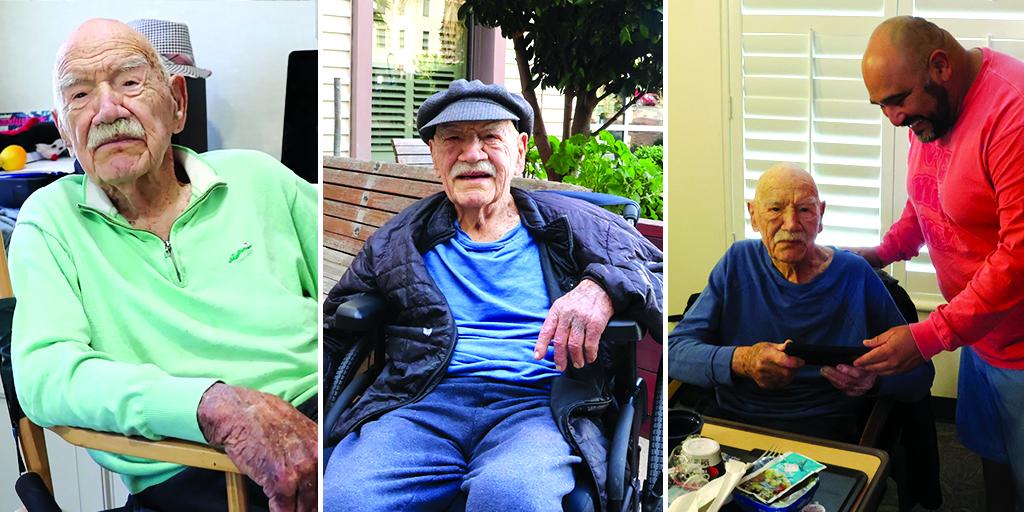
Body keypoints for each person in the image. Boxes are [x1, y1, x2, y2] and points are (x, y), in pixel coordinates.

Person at [8, 19, 317, 512]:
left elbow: (355, 275)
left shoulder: (259, 178)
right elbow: (45, 374)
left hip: (329, 424)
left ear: (177, 102)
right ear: (63, 129)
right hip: (193, 470)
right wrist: (210, 406)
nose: (108, 110)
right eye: (80, 95)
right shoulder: (50, 221)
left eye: (130, 82)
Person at [322, 79, 663, 511]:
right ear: (434, 154)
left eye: (489, 137)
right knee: (347, 497)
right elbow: (335, 325)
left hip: (536, 406)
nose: (472, 153)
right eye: (453, 139)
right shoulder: (401, 238)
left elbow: (659, 272)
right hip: (421, 401)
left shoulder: (574, 223)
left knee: (512, 495)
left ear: (519, 150)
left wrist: (603, 287)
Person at [855, 15, 1024, 510]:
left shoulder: (1011, 112)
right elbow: (928, 194)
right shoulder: (931, 111)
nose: (893, 119)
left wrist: (930, 336)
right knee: (994, 462)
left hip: (1020, 347)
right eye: (882, 105)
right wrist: (883, 252)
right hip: (981, 335)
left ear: (941, 66)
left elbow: (1018, 255)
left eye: (897, 101)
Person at [667, 163, 934, 443]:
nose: (791, 224)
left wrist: (874, 381)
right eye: (775, 209)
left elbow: (920, 375)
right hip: (730, 425)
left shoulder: (855, 274)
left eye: (805, 210)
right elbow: (674, 351)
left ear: (821, 216)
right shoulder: (737, 262)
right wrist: (743, 360)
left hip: (822, 434)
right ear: (754, 215)